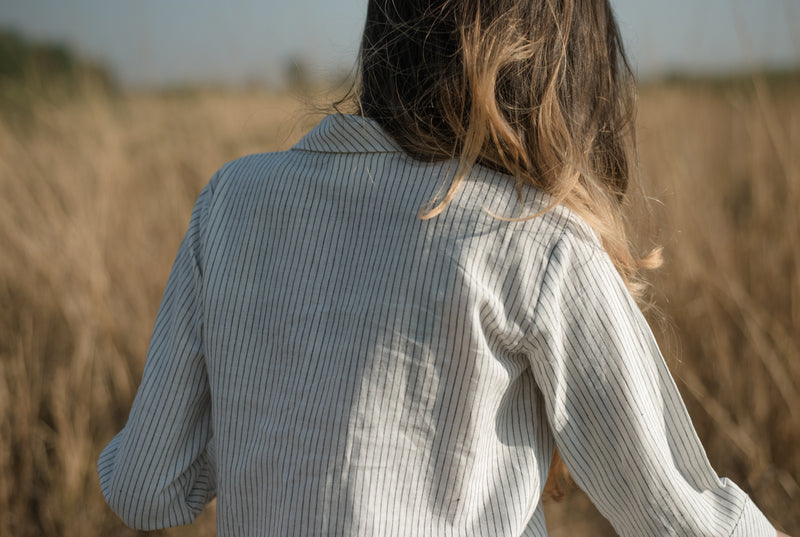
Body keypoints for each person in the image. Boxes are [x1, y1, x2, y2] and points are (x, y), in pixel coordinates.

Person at [98, 0, 790, 535]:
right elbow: (679, 517)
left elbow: (146, 486)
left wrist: (283, 421)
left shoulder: (231, 203)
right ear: (561, 70)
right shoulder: (538, 244)